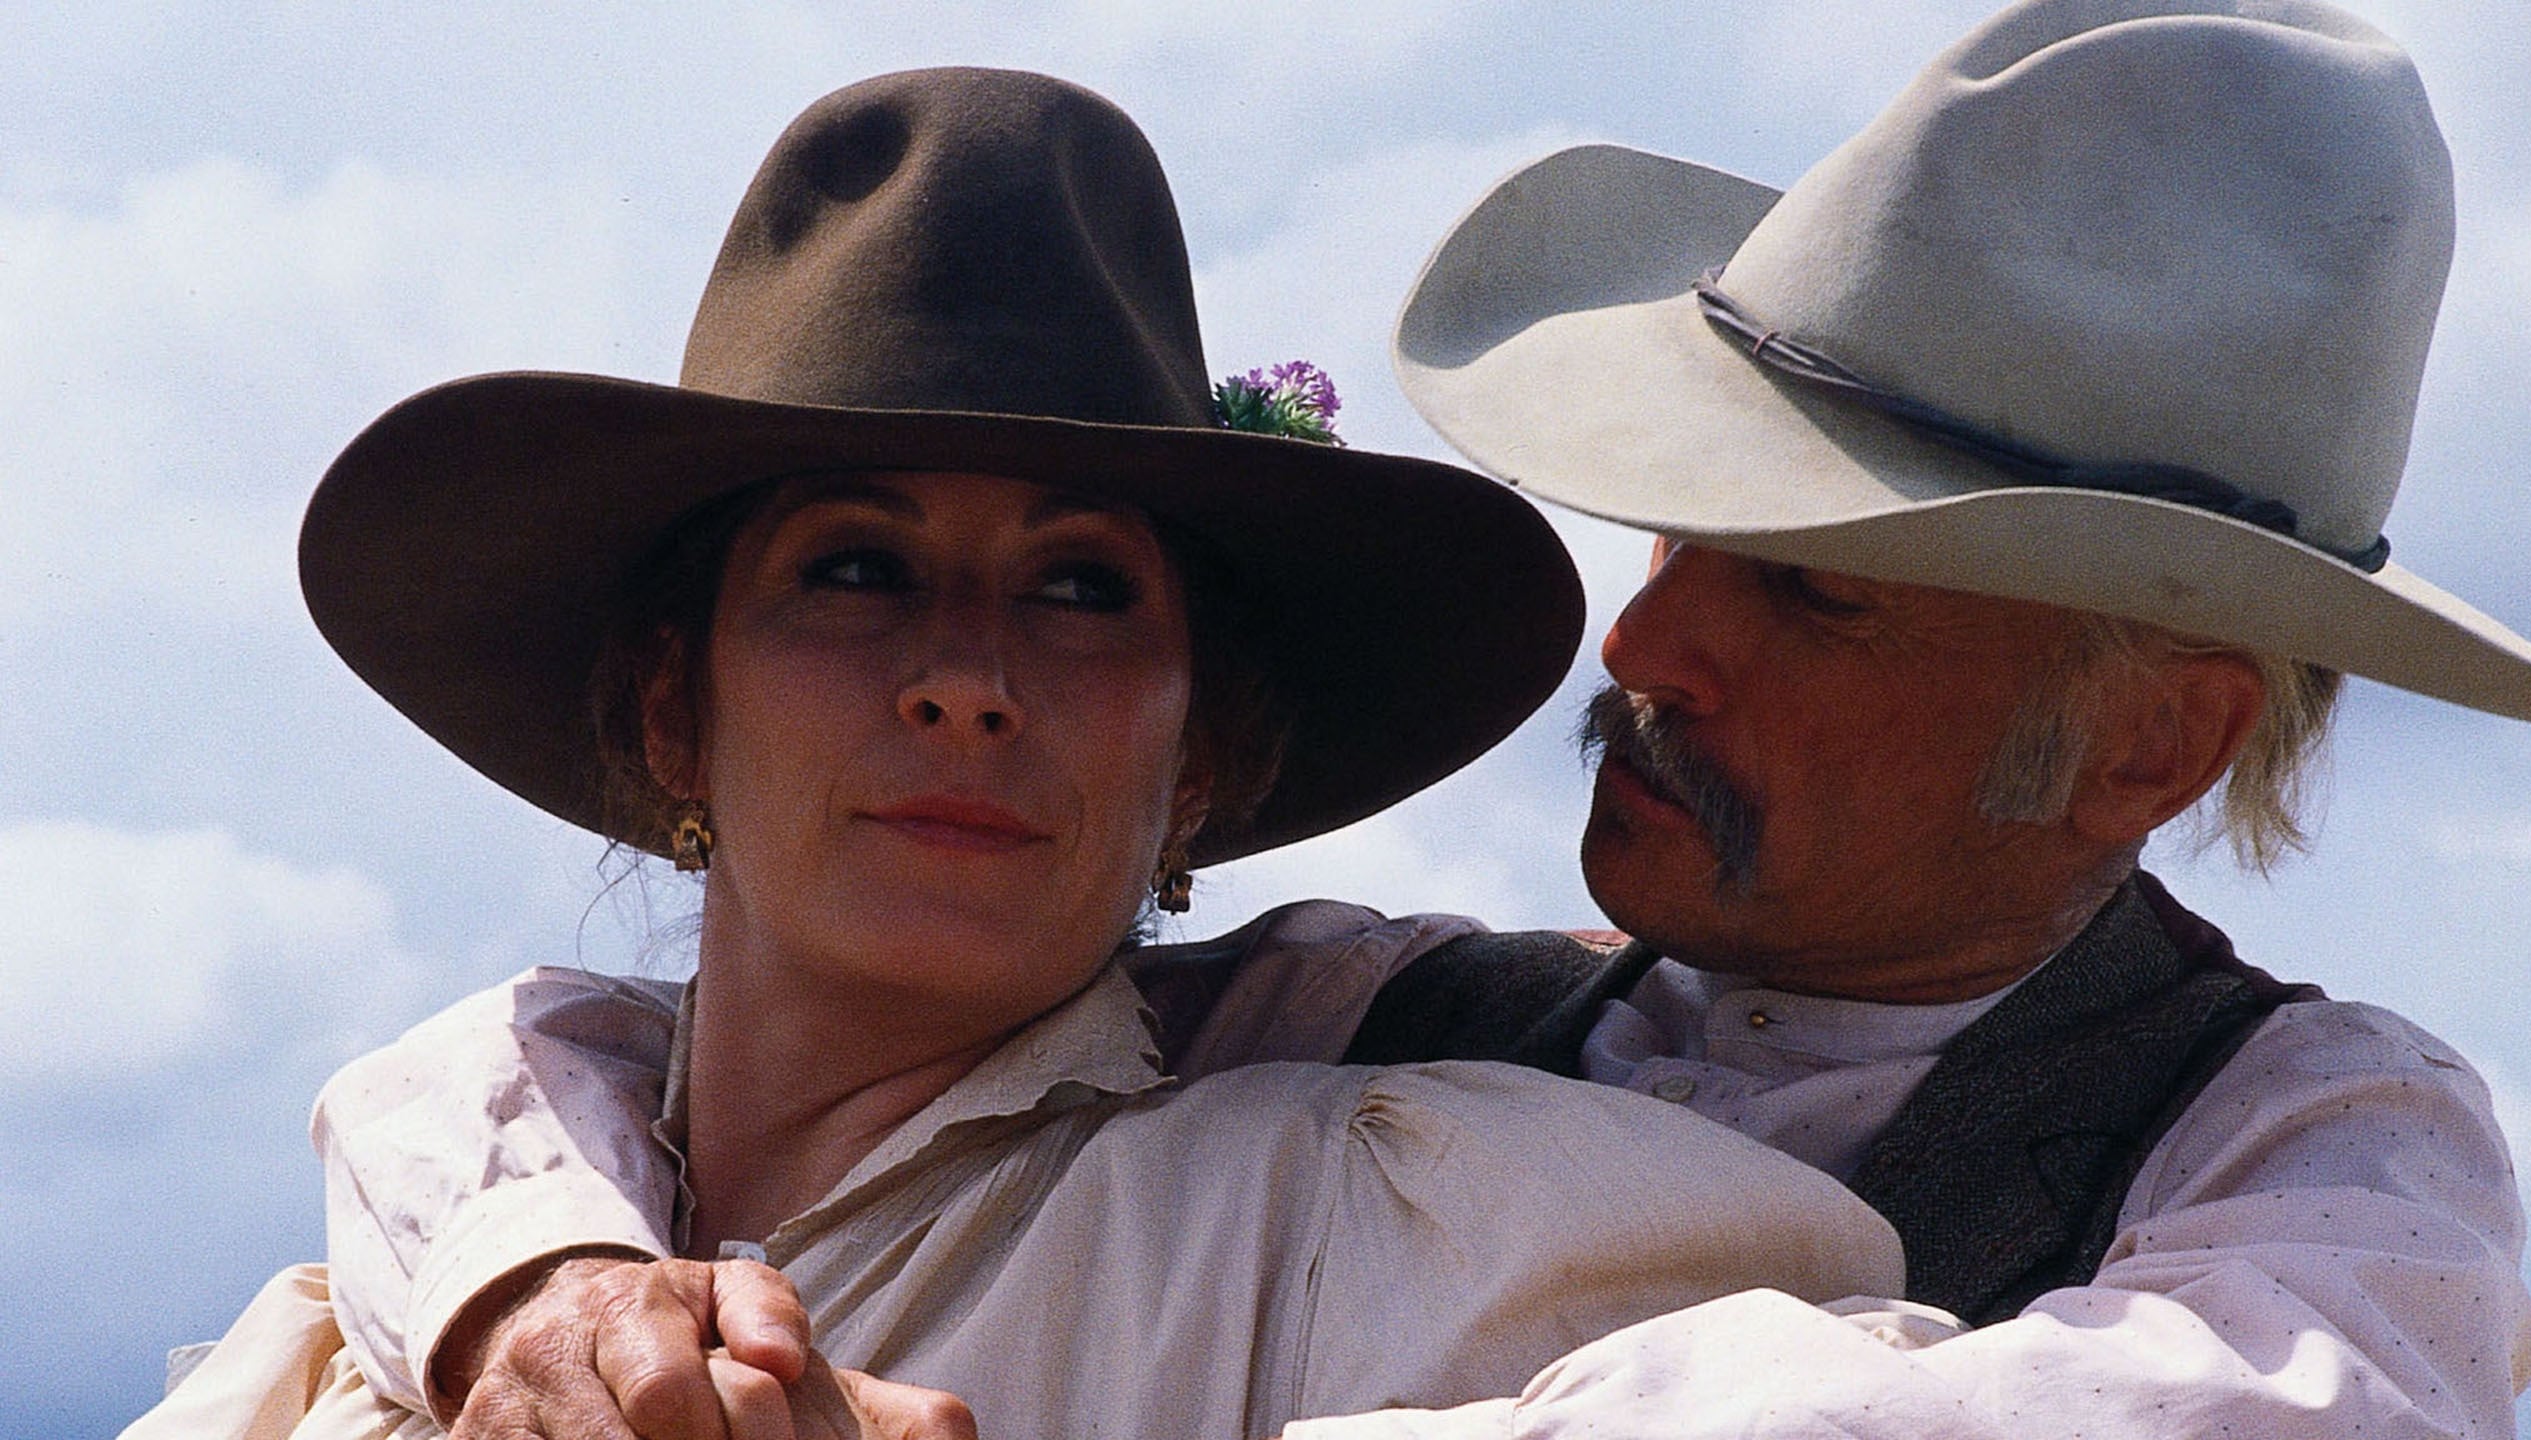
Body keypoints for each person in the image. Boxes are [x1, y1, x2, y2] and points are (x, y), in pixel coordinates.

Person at [276, 1, 2531, 1436]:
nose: (1645, 648)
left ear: (2149, 745)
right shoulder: (1361, 1012)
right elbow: (595, 1047)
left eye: (1806, 588)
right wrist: (537, 1278)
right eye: (1672, 541)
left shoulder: (2318, 1140)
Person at [116, 66, 1911, 1440]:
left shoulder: (1360, 1225)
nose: (968, 682)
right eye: (855, 569)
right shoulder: (385, 1317)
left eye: (1079, 588)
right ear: (674, 709)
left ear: (1199, 758)